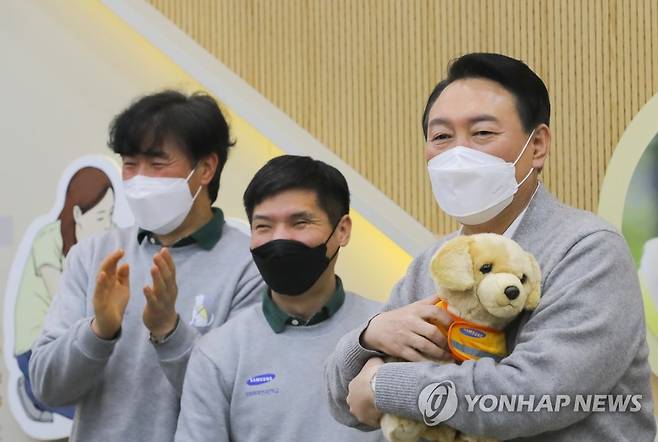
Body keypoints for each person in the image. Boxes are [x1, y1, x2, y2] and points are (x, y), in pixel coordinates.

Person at [325, 53, 656, 441]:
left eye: (482, 133)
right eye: (442, 137)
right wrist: (368, 337)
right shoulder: (431, 264)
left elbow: (536, 394)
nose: (459, 154)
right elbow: (347, 403)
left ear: (537, 146)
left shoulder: (588, 250)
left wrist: (386, 386)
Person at [29, 90, 264, 441]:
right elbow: (46, 387)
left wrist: (169, 331)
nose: (139, 179)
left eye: (157, 165)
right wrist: (99, 331)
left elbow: (239, 403)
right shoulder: (94, 254)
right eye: (129, 163)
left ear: (205, 168)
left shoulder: (249, 267)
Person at [175, 155, 383, 442]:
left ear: (342, 230)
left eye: (300, 222)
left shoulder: (384, 332)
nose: (279, 239)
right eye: (263, 226)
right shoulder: (219, 353)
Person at [15, 166, 114, 422]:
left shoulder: (97, 248)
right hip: (36, 348)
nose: (109, 225)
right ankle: (30, 391)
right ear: (78, 213)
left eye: (111, 215)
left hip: (76, 344)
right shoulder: (48, 240)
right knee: (90, 412)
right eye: (102, 216)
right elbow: (60, 298)